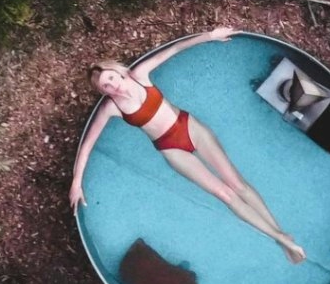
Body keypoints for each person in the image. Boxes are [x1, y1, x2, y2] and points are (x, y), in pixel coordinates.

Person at [69, 27, 306, 264]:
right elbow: (88, 143)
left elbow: (174, 49)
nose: (112, 86)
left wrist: (210, 37)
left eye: (110, 78)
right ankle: (283, 240)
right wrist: (77, 183)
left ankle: (281, 236)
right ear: (104, 93)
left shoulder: (139, 74)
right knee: (225, 195)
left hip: (189, 127)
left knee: (237, 184)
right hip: (171, 148)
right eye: (105, 87)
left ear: (117, 71)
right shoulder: (111, 108)